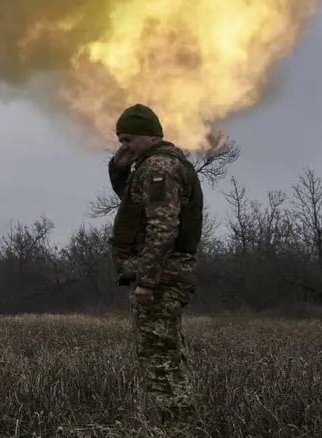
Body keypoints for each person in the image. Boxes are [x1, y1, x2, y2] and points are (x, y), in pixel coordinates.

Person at [107, 103, 204, 423]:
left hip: (161, 279)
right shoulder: (159, 164)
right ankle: (182, 423)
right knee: (167, 355)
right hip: (167, 275)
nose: (125, 146)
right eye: (121, 140)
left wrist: (147, 280)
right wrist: (118, 170)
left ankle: (180, 428)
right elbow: (136, 204)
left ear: (150, 135)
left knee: (159, 361)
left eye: (128, 139)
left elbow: (162, 228)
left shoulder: (158, 167)